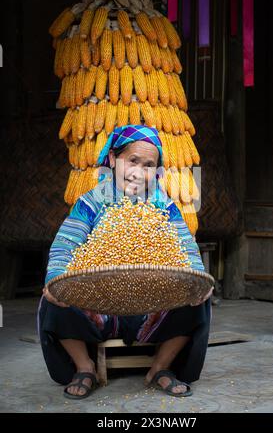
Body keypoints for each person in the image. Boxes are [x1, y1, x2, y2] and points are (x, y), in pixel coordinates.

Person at [38, 125, 212, 399]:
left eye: (148, 165)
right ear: (112, 160)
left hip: (152, 305)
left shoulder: (164, 206)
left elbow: (187, 250)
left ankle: (160, 368)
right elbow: (65, 246)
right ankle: (85, 368)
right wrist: (55, 278)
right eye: (132, 160)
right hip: (98, 305)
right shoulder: (91, 202)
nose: (138, 172)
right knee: (55, 298)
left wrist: (197, 277)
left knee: (197, 298)